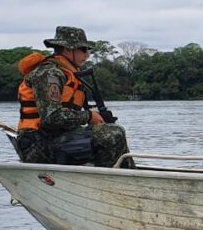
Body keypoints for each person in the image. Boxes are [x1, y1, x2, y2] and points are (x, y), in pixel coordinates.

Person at [16, 26, 131, 167]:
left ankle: (126, 174)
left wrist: (98, 119)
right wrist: (88, 116)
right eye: (83, 49)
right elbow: (51, 118)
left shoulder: (66, 73)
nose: (87, 55)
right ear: (67, 49)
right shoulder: (49, 74)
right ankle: (110, 180)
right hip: (38, 143)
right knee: (112, 134)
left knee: (112, 130)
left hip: (57, 138)